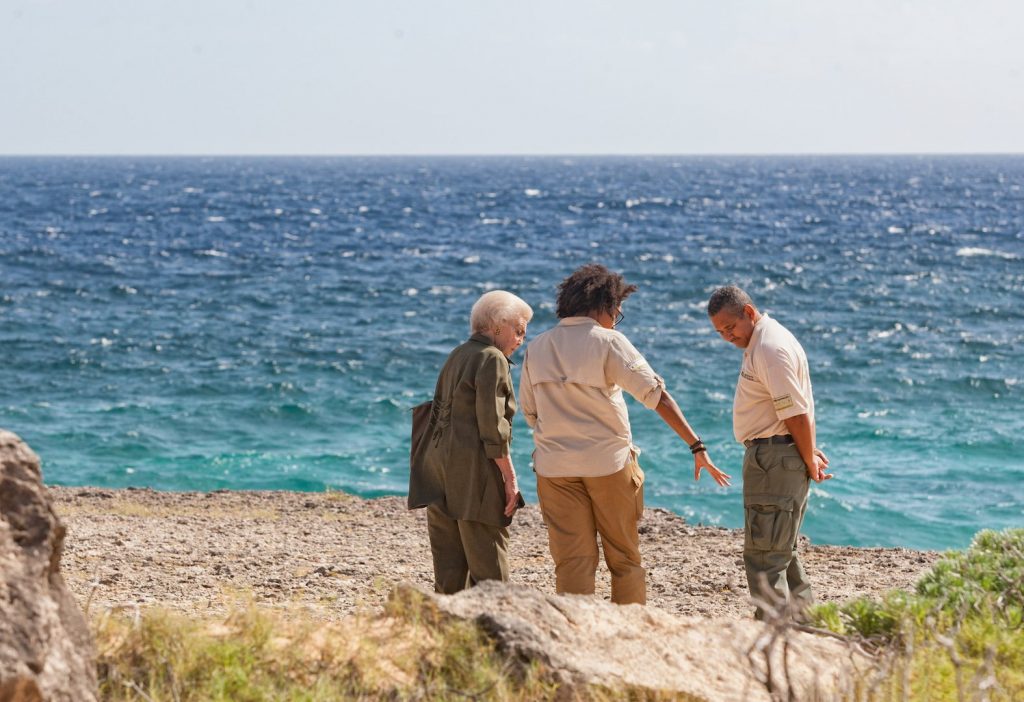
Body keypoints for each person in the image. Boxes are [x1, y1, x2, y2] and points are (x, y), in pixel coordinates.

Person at [519, 264, 730, 605]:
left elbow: (530, 412)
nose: (617, 319)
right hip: (608, 465)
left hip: (554, 468)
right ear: (604, 304)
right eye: (617, 312)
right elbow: (656, 396)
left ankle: (576, 632)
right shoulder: (609, 342)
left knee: (572, 561)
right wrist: (696, 445)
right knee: (624, 557)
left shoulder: (538, 347)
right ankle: (629, 628)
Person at [707, 285, 833, 620]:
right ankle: (808, 629)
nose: (726, 337)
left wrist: (807, 457)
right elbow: (797, 407)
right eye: (719, 332)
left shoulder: (769, 347)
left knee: (765, 558)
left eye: (730, 328)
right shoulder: (765, 340)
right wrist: (805, 452)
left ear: (748, 312)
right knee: (781, 553)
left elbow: (795, 412)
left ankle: (774, 640)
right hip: (779, 456)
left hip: (773, 461)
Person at [408, 290, 533, 594]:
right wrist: (510, 477)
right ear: (497, 325)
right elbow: (493, 424)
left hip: (437, 471)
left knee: (448, 578)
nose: (520, 339)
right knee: (491, 577)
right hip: (474, 474)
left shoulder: (458, 353)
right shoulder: (492, 359)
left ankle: (445, 637)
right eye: (518, 330)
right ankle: (488, 639)